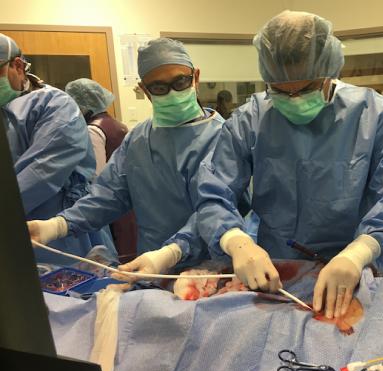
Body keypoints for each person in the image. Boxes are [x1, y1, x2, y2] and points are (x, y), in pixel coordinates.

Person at [193, 11, 383, 319]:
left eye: (307, 89)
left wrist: (358, 253)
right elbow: (214, 192)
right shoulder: (251, 119)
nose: (294, 99)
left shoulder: (374, 115)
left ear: (330, 73)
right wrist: (236, 242)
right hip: (278, 272)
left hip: (351, 269)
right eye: (280, 91)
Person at [28, 38, 241, 279]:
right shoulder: (138, 139)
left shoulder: (225, 137)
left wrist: (172, 252)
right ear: (144, 90)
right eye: (159, 87)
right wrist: (56, 225)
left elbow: (222, 209)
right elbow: (108, 196)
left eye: (180, 81)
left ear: (196, 77)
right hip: (151, 269)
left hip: (214, 271)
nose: (172, 93)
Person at [0, 33, 107, 265]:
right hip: (8, 234)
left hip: (57, 232)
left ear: (17, 66)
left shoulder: (55, 106)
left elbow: (41, 172)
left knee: (68, 284)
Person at [65, 78, 138, 262]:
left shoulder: (93, 130)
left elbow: (94, 174)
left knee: (118, 256)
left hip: (110, 203)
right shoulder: (118, 125)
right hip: (129, 200)